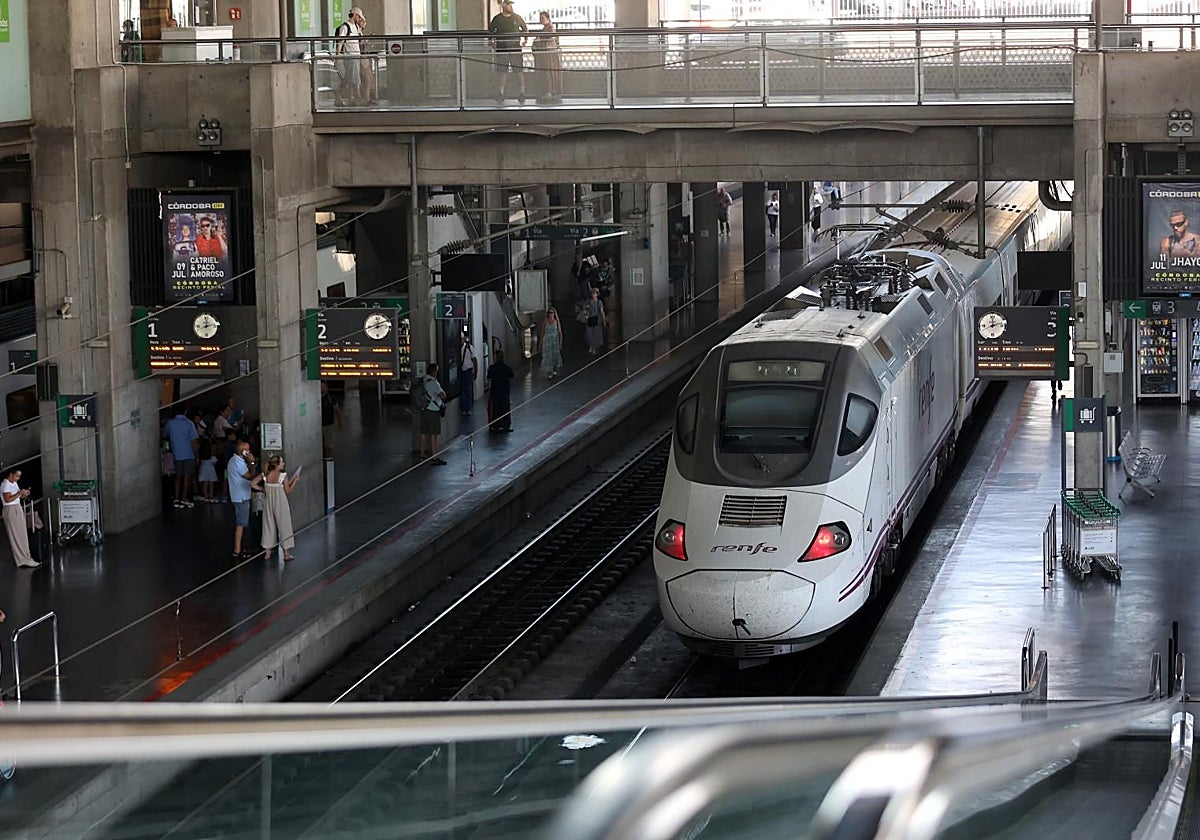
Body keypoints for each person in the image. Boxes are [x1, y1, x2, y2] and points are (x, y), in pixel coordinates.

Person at [251, 456, 299, 561]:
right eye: (281, 462)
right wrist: (295, 481)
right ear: (277, 464)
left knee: (268, 525)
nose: (283, 463)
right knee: (284, 526)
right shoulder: (283, 476)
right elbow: (287, 491)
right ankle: (286, 554)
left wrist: (263, 489)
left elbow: (252, 483)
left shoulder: (265, 474)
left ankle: (267, 553)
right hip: (281, 504)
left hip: (268, 503)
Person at [488, 0, 528, 103]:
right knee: (502, 71)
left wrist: (525, 41)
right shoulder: (497, 19)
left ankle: (522, 92)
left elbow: (525, 30)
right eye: (508, 4)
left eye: (510, 4)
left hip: (515, 47)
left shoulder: (517, 17)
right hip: (502, 47)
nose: (510, 6)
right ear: (503, 5)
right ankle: (501, 93)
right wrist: (490, 41)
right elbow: (490, 31)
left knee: (519, 71)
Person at [1, 469, 37, 569]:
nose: (18, 478)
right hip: (11, 509)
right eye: (16, 476)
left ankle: (26, 557)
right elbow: (7, 499)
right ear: (11, 474)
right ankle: (22, 559)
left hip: (17, 507)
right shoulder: (5, 484)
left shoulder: (14, 483)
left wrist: (23, 494)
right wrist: (19, 493)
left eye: (19, 476)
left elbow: (16, 497)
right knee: (17, 535)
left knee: (22, 534)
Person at [163, 408, 199, 508]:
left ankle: (176, 498)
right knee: (187, 477)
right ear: (185, 412)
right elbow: (194, 442)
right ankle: (184, 498)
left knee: (178, 477)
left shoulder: (170, 423)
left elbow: (164, 434)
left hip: (176, 454)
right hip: (189, 454)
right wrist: (197, 456)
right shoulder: (189, 423)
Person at [227, 440, 257, 558]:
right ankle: (237, 549)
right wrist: (252, 463)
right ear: (243, 452)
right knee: (241, 523)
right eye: (247, 450)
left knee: (242, 522)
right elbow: (250, 476)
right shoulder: (238, 463)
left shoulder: (234, 460)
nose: (249, 451)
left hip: (239, 495)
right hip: (241, 496)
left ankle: (239, 548)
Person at [417, 363, 447, 465]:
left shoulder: (424, 380)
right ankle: (434, 456)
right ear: (434, 371)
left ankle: (422, 453)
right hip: (433, 410)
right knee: (434, 434)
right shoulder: (434, 383)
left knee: (423, 432)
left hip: (423, 409)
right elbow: (443, 396)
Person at [334, 7, 365, 107]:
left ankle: (341, 97)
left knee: (349, 78)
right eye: (359, 17)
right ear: (355, 15)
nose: (359, 19)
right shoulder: (345, 27)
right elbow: (340, 41)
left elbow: (361, 39)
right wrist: (337, 57)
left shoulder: (355, 27)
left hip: (356, 56)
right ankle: (357, 98)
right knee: (354, 78)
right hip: (350, 57)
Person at [532, 11, 562, 104]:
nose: (541, 20)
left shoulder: (550, 28)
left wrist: (538, 40)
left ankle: (550, 92)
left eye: (542, 18)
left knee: (549, 73)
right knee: (545, 73)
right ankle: (547, 92)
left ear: (547, 18)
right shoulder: (545, 28)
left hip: (549, 54)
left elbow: (549, 38)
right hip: (545, 53)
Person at [487, 350, 516, 432]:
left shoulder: (492, 368)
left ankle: (495, 426)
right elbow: (512, 375)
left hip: (495, 391)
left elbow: (488, 376)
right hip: (505, 391)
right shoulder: (507, 367)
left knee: (496, 408)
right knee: (505, 408)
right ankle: (506, 425)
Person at [320, 381, 343, 458]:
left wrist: (340, 423)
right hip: (319, 426)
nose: (322, 388)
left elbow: (337, 410)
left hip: (329, 425)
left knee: (328, 445)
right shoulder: (317, 398)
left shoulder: (331, 398)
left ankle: (327, 459)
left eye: (323, 386)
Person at [541, 308, 564, 378]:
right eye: (549, 313)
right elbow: (542, 331)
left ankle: (554, 369)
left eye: (552, 313)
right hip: (547, 341)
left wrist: (560, 342)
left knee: (555, 355)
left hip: (555, 340)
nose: (551, 314)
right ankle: (549, 372)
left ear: (554, 314)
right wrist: (540, 342)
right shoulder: (546, 321)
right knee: (548, 356)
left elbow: (560, 332)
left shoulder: (556, 321)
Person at [583, 286, 606, 355]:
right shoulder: (588, 301)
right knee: (589, 334)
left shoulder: (599, 302)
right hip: (590, 319)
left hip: (597, 320)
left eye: (595, 293)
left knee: (596, 335)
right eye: (592, 293)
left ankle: (594, 347)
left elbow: (601, 311)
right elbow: (585, 309)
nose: (593, 294)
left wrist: (603, 320)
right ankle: (591, 346)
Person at [460, 335, 478, 416]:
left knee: (468, 390)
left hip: (468, 371)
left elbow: (474, 360)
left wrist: (475, 372)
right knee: (462, 390)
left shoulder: (469, 348)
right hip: (460, 372)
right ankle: (464, 408)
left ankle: (468, 408)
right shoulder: (456, 348)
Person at [197, 436, 218, 502]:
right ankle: (211, 496)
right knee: (211, 484)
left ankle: (206, 495)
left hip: (203, 470)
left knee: (205, 483)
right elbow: (214, 461)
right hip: (211, 470)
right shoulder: (211, 455)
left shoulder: (202, 456)